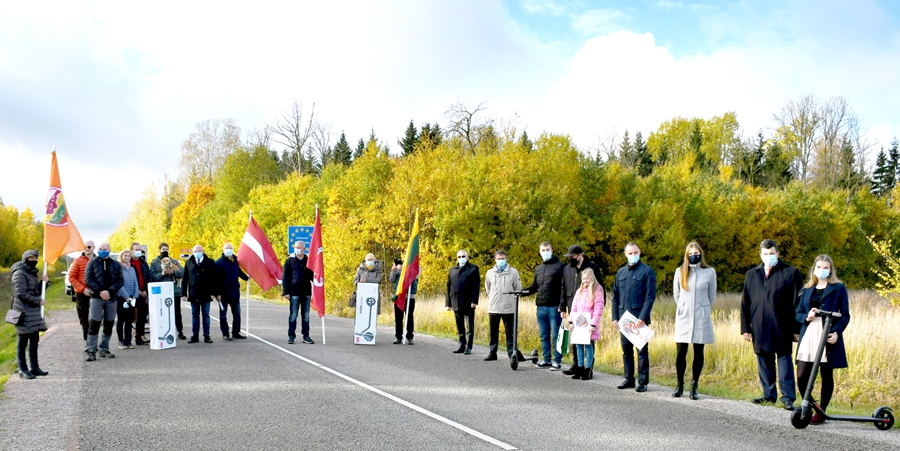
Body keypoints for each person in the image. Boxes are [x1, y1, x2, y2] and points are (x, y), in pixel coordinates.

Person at [741, 239, 803, 411]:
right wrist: (745, 328)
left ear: (778, 254)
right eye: (766, 254)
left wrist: (797, 329)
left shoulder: (790, 273)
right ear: (760, 255)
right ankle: (769, 394)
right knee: (763, 360)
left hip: (782, 325)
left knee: (784, 362)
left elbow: (798, 303)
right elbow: (745, 303)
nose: (769, 256)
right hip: (759, 325)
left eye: (772, 253)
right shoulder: (752, 275)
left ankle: (788, 397)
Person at [795, 255, 850, 424]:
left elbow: (845, 315)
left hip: (827, 334)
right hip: (809, 333)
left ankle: (821, 412)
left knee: (827, 375)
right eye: (819, 266)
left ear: (831, 269)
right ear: (814, 269)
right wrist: (807, 317)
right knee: (802, 376)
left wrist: (837, 333)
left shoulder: (839, 288)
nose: (822, 270)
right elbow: (798, 313)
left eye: (826, 267)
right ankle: (811, 405)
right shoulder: (807, 289)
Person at [672, 242, 717, 400]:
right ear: (686, 255)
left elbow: (711, 295)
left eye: (696, 253)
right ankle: (679, 384)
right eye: (690, 253)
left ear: (701, 254)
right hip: (684, 315)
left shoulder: (709, 272)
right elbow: (676, 295)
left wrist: (703, 308)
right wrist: (684, 307)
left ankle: (694, 385)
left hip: (701, 315)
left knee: (699, 351)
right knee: (681, 352)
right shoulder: (680, 271)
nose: (693, 255)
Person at [611, 242, 657, 392]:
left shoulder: (647, 271)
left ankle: (642, 382)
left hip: (639, 320)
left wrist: (643, 317)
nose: (633, 256)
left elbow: (650, 296)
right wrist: (614, 317)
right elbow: (615, 297)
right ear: (625, 254)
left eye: (635, 252)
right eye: (630, 253)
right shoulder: (621, 273)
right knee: (626, 351)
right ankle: (628, 379)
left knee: (642, 351)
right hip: (624, 320)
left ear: (640, 252)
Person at [521, 241, 565, 370]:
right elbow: (535, 287)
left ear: (552, 250)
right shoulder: (538, 269)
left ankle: (557, 361)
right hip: (541, 307)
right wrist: (521, 293)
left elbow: (564, 288)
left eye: (547, 250)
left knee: (556, 335)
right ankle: (547, 359)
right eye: (543, 250)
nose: (545, 252)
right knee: (543, 335)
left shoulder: (560, 267)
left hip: (554, 307)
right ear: (539, 252)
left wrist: (562, 305)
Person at [559, 244, 599, 375]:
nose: (571, 258)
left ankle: (589, 367)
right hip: (574, 308)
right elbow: (563, 287)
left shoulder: (592, 268)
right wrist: (562, 305)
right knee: (576, 339)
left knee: (588, 342)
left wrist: (595, 318)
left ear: (580, 255)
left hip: (589, 312)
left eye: (573, 256)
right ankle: (577, 365)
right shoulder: (567, 269)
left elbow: (599, 290)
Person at [10, 250, 49, 379]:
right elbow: (21, 293)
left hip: (33, 312)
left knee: (34, 340)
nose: (34, 260)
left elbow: (35, 291)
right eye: (31, 258)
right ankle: (23, 369)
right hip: (22, 312)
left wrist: (44, 283)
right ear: (25, 259)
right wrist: (38, 301)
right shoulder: (19, 273)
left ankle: (35, 367)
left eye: (35, 258)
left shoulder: (31, 273)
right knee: (23, 341)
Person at [483, 250, 526, 362]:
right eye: (499, 259)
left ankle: (512, 353)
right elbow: (488, 288)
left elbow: (518, 288)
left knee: (510, 333)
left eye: (503, 258)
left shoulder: (513, 272)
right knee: (493, 332)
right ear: (495, 259)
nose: (501, 260)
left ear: (506, 258)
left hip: (508, 308)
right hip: (494, 307)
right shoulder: (490, 273)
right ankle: (492, 353)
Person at [84, 242, 124, 361]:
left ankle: (104, 348)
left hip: (111, 298)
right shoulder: (92, 262)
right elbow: (88, 279)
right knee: (94, 323)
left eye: (105, 249)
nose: (102, 251)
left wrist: (109, 292)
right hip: (96, 297)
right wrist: (101, 291)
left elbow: (120, 280)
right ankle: (91, 349)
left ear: (109, 250)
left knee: (109, 323)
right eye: (100, 249)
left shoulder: (116, 264)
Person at [567, 268, 605, 381]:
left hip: (589, 324)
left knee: (588, 346)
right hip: (579, 324)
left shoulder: (597, 291)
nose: (585, 281)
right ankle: (580, 368)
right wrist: (571, 321)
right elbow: (573, 308)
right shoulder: (579, 292)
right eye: (583, 279)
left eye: (587, 278)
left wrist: (593, 324)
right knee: (578, 345)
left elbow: (599, 309)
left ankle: (588, 369)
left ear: (592, 278)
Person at [181, 244, 220, 344]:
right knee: (195, 315)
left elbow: (215, 279)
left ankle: (207, 336)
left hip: (206, 294)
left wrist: (214, 293)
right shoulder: (189, 262)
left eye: (199, 251)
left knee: (206, 315)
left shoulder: (210, 262)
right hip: (194, 294)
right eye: (195, 251)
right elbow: (185, 279)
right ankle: (195, 335)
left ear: (203, 251)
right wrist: (184, 293)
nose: (197, 253)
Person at [446, 250, 480, 355]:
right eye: (459, 257)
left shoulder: (473, 269)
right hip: (456, 302)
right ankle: (462, 344)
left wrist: (474, 301)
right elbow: (448, 287)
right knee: (459, 326)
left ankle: (469, 347)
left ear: (467, 257)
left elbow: (476, 286)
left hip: (468, 302)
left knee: (469, 326)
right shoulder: (453, 270)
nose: (461, 258)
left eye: (463, 256)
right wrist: (448, 303)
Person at [150, 242, 186, 340]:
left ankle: (180, 331)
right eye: (163, 249)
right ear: (159, 250)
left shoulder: (174, 261)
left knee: (177, 313)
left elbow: (182, 272)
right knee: (162, 313)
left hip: (174, 291)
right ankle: (163, 331)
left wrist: (173, 271)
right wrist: (163, 274)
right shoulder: (154, 263)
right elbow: (153, 277)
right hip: (161, 292)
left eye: (166, 249)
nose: (164, 251)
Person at [282, 241, 315, 344]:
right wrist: (286, 292)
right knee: (293, 315)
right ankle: (291, 336)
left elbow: (313, 276)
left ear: (304, 249)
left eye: (299, 247)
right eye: (296, 247)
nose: (297, 249)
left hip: (306, 292)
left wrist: (319, 284)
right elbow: (285, 277)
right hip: (294, 292)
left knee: (305, 315)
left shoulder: (308, 261)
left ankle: (306, 336)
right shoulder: (290, 261)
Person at [216, 242, 248, 341]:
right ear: (223, 250)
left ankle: (236, 332)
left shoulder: (235, 261)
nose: (229, 250)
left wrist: (247, 278)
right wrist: (217, 293)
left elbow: (238, 272)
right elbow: (215, 279)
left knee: (237, 314)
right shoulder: (219, 263)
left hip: (234, 292)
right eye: (227, 248)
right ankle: (225, 333)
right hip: (223, 294)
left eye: (230, 248)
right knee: (223, 315)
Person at [68, 240, 94, 341]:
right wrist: (83, 289)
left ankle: (93, 340)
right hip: (82, 294)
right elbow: (72, 278)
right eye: (86, 247)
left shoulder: (98, 260)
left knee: (95, 319)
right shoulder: (78, 261)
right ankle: (87, 340)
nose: (87, 248)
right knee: (84, 319)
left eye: (89, 247)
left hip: (95, 294)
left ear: (93, 248)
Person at [389, 258, 418, 345]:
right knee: (398, 317)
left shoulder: (414, 267)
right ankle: (398, 337)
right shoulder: (397, 269)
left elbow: (417, 275)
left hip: (410, 296)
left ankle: (410, 337)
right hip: (399, 296)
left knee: (409, 317)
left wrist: (407, 269)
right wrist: (394, 271)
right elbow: (391, 279)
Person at [115, 250, 139, 350]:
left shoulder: (132, 268)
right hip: (121, 298)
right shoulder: (118, 268)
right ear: (121, 256)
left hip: (131, 298)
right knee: (121, 320)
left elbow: (135, 282)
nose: (127, 257)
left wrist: (135, 295)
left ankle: (128, 341)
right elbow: (119, 284)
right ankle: (121, 341)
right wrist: (126, 297)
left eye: (129, 256)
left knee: (129, 320)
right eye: (125, 256)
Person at [129, 242, 151, 345]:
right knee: (130, 317)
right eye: (136, 249)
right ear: (131, 250)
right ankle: (127, 339)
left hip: (143, 293)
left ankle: (139, 337)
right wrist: (136, 291)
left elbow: (148, 276)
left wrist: (146, 290)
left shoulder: (143, 262)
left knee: (142, 316)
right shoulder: (128, 262)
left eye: (139, 250)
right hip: (132, 293)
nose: (138, 251)